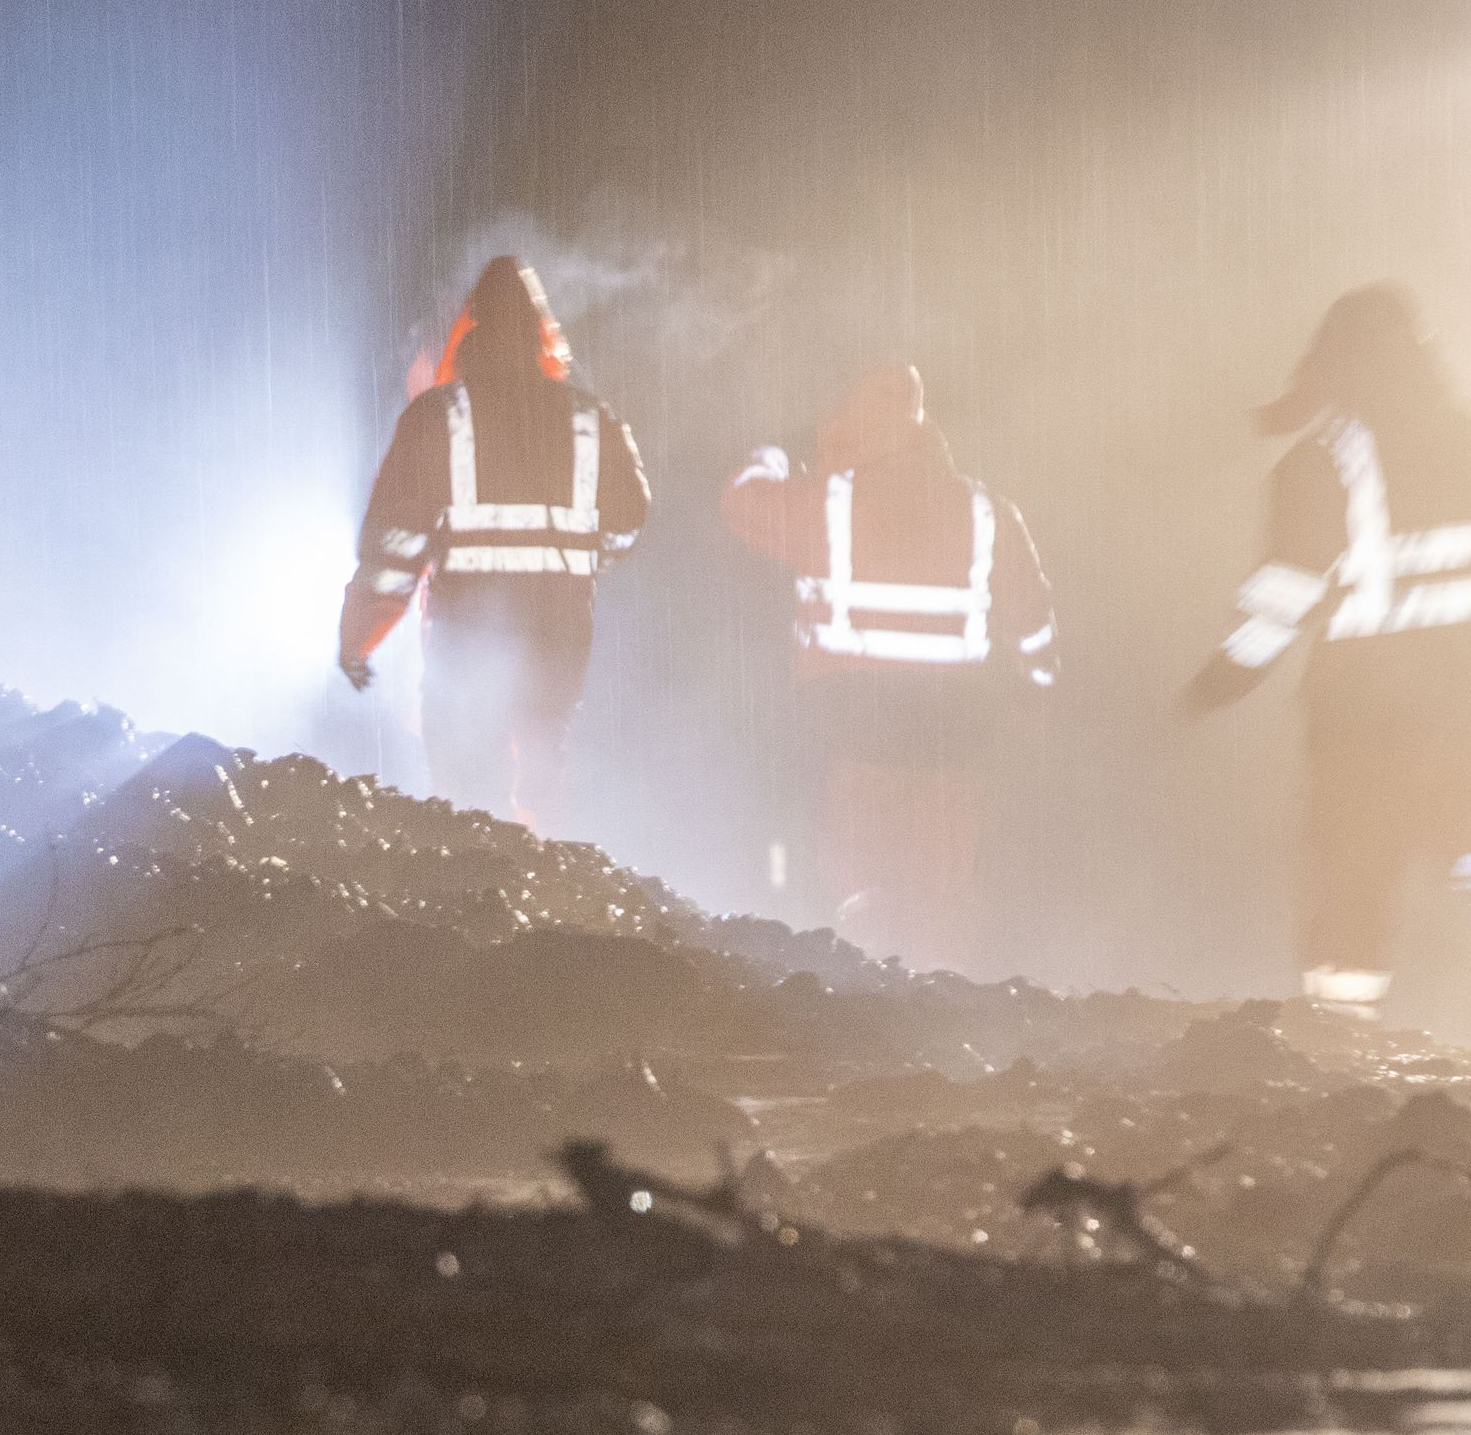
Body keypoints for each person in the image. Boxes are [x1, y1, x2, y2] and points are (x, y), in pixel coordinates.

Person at [1180, 284, 1471, 1039]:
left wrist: (1220, 682)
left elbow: (1286, 594)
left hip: (1364, 711)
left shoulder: (1323, 462)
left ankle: (1344, 1035)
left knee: (1354, 865)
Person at [718, 362, 1055, 964]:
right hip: (955, 727)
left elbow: (743, 504)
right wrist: (1040, 686)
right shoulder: (985, 508)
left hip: (858, 718)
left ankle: (867, 998)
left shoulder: (831, 505)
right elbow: (1032, 613)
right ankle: (946, 1012)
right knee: (942, 884)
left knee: (862, 880)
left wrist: (768, 457)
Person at [340, 256, 651, 824]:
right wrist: (574, 558)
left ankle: (482, 896)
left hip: (466, 653)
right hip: (559, 653)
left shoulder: (437, 417)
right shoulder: (591, 418)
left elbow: (393, 550)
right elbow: (630, 519)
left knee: (466, 810)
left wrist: (359, 638)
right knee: (544, 796)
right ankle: (549, 894)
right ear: (543, 334)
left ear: (471, 329)